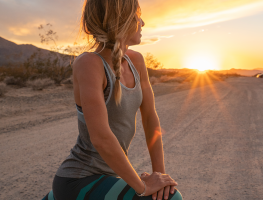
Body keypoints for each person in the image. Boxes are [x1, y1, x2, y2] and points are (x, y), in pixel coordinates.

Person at [42, 0, 182, 199]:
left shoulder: (137, 61)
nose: (143, 23)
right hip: (79, 180)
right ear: (121, 21)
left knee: (167, 195)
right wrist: (142, 187)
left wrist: (160, 178)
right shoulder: (89, 63)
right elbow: (101, 139)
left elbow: (150, 119)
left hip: (107, 177)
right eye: (136, 16)